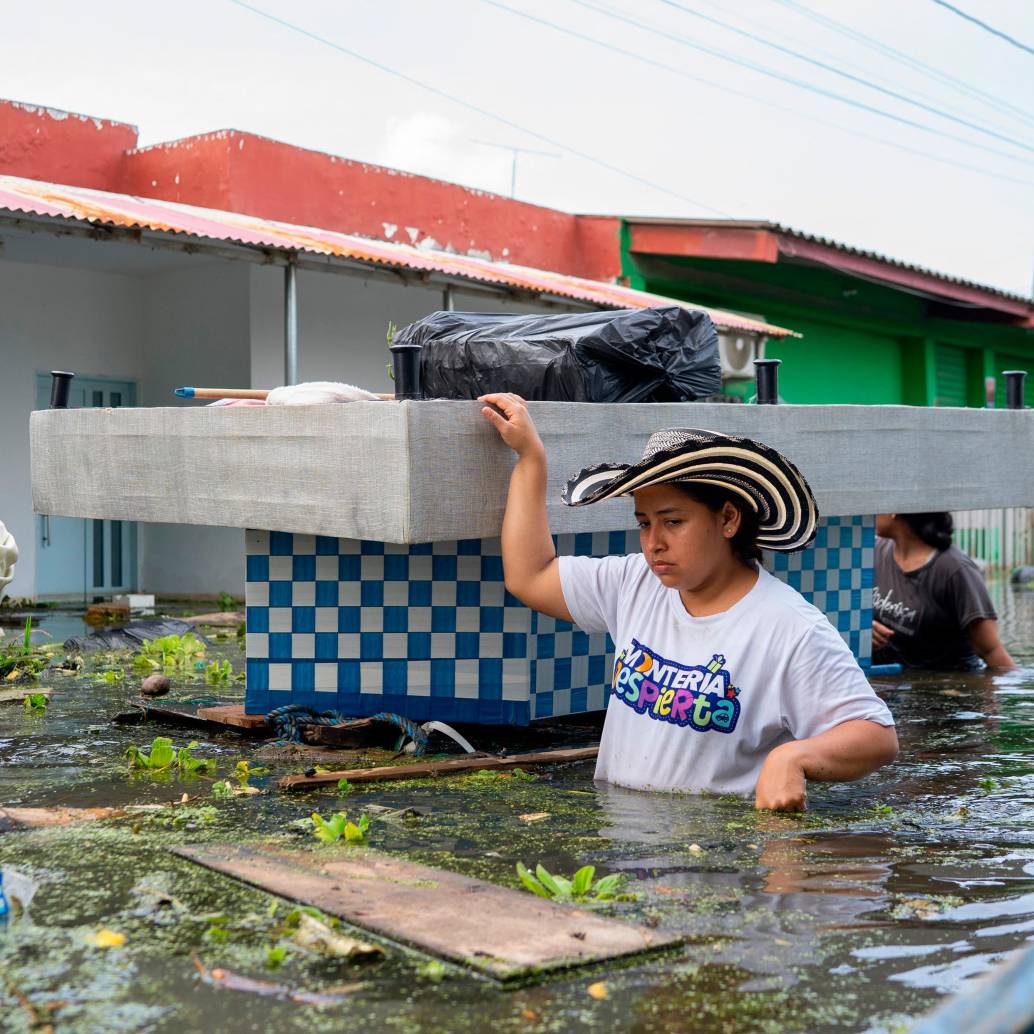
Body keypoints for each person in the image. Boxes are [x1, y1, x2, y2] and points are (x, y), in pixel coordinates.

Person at [479, 393, 898, 812]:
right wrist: (531, 459)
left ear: (728, 519)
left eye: (673, 521)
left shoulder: (789, 628)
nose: (653, 543)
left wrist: (792, 756)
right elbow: (529, 576)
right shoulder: (634, 584)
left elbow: (876, 735)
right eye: (644, 524)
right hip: (624, 847)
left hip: (721, 857)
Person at [873, 512, 1015, 671]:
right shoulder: (874, 553)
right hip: (894, 681)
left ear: (894, 512)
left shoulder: (955, 570)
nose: (871, 512)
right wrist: (864, 629)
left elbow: (991, 651)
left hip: (947, 686)